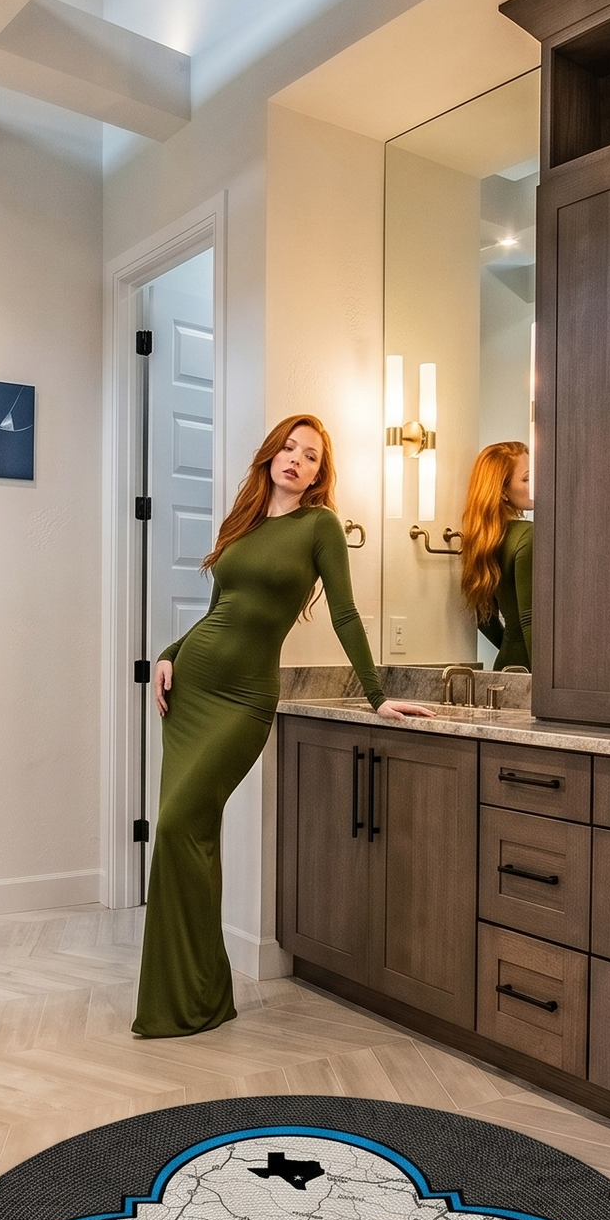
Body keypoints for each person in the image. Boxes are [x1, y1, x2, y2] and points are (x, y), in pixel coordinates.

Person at [135, 416, 434, 1038]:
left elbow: (345, 613)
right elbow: (219, 610)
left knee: (178, 823)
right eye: (289, 448)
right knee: (185, 835)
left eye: (311, 455)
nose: (297, 459)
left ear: (320, 473)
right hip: (192, 690)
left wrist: (378, 697)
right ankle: (195, 996)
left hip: (244, 701)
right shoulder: (242, 523)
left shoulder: (319, 526)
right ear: (271, 454)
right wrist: (169, 652)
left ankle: (193, 995)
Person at [461, 440, 533, 670]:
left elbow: (484, 619)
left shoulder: (484, 540)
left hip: (506, 665)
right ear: (502, 491)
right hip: (531, 670)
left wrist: (511, 645)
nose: (536, 485)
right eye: (527, 479)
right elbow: (531, 620)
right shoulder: (528, 536)